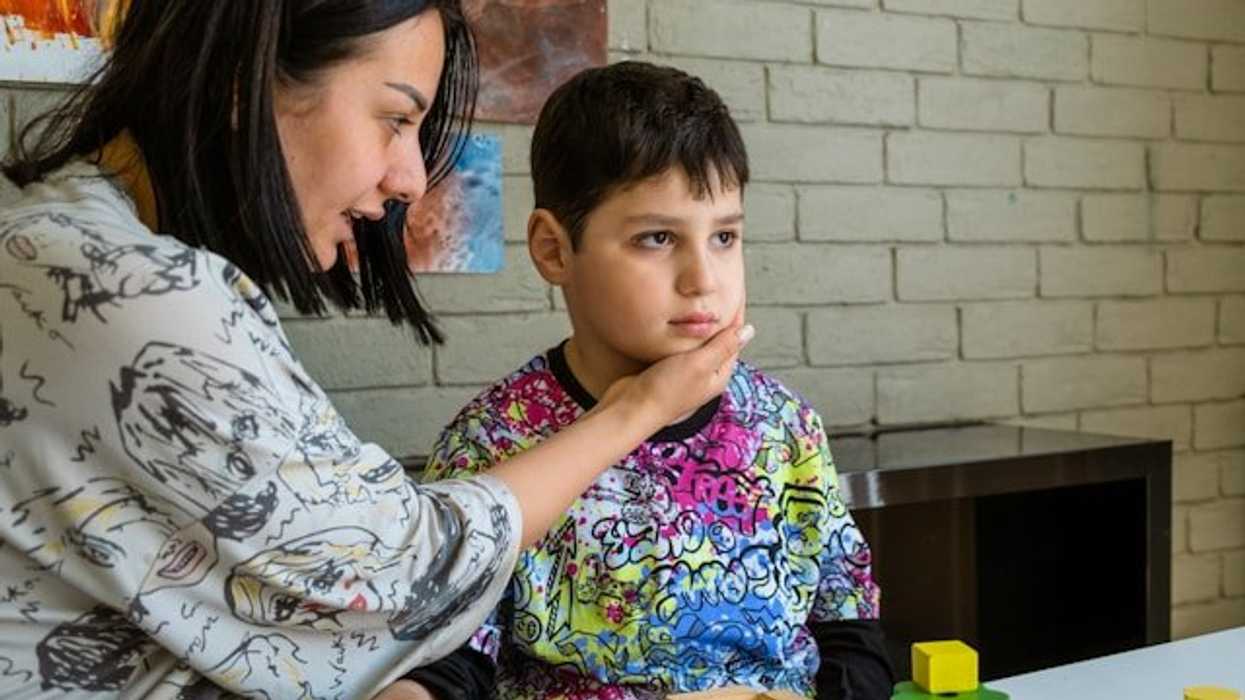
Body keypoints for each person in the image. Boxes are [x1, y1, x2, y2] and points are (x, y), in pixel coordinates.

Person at [0, 4, 750, 698]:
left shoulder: (77, 247)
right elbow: (401, 577)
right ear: (244, 82)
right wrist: (637, 412)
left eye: (725, 236)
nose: (412, 179)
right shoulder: (129, 295)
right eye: (394, 119)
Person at [417, 61, 895, 700]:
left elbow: (852, 630)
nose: (704, 277)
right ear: (555, 250)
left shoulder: (784, 427)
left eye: (725, 236)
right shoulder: (493, 444)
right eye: (657, 237)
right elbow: (447, 662)